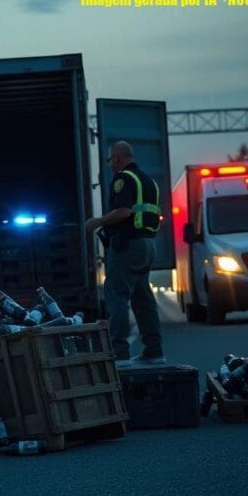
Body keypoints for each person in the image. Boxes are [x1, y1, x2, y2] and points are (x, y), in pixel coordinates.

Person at [84, 141, 164, 365]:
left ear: (118, 158)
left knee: (116, 296)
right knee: (142, 298)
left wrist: (97, 222)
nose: (110, 165)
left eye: (110, 160)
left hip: (128, 246)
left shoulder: (123, 179)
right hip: (147, 245)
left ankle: (119, 353)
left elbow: (123, 211)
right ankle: (154, 350)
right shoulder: (149, 181)